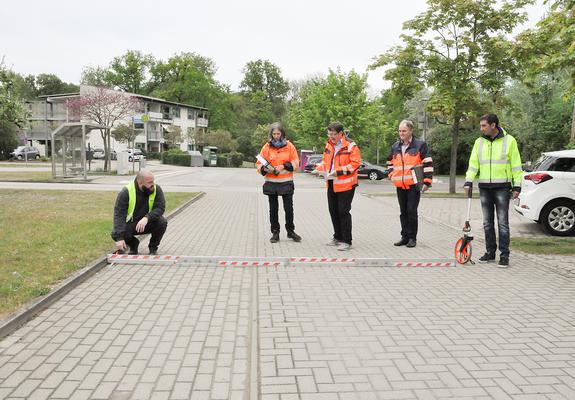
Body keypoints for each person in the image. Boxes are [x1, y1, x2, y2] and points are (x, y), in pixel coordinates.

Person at [464, 114, 522, 267]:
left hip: (502, 187)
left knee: (503, 223)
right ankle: (490, 253)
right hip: (484, 187)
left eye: (484, 125)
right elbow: (473, 164)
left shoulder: (510, 141)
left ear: (493, 125)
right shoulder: (479, 142)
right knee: (487, 223)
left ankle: (504, 255)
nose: (481, 128)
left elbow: (516, 166)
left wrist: (517, 185)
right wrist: (468, 180)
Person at [313, 122, 361, 251]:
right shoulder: (329, 144)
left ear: (341, 133)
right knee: (333, 211)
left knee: (343, 212)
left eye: (334, 134)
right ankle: (337, 237)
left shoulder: (351, 146)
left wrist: (338, 171)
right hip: (331, 182)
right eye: (329, 134)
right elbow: (325, 161)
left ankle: (347, 241)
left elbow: (355, 164)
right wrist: (319, 168)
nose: (331, 137)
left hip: (347, 185)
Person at [387, 120, 433, 248]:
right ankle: (404, 237)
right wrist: (391, 175)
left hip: (413, 184)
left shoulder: (420, 145)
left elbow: (428, 163)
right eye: (400, 131)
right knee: (403, 212)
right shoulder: (395, 146)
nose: (401, 133)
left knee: (411, 211)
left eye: (404, 131)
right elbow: (389, 162)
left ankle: (412, 238)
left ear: (410, 131)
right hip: (400, 185)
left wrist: (427, 181)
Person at [256, 122, 302, 243]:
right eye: (274, 133)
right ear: (271, 134)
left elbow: (296, 162)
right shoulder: (266, 147)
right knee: (273, 209)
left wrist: (284, 166)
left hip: (286, 182)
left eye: (278, 133)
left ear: (282, 133)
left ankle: (290, 231)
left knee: (289, 209)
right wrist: (264, 168)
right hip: (271, 182)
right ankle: (275, 232)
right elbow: (259, 163)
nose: (276, 136)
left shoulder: (289, 146)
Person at [111, 170, 167, 255]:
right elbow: (119, 214)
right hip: (131, 224)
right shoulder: (126, 192)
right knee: (115, 233)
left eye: (153, 181)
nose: (153, 184)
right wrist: (119, 238)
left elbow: (160, 208)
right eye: (150, 182)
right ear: (140, 182)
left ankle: (153, 248)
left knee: (162, 222)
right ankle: (133, 245)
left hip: (147, 222)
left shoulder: (156, 189)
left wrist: (147, 218)